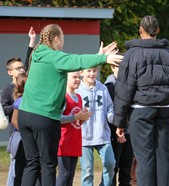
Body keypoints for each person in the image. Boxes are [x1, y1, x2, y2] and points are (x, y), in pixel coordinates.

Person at [17, 24, 123, 186]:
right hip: (43, 117)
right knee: (48, 165)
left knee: (32, 163)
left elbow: (76, 61)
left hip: (24, 115)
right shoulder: (55, 56)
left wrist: (97, 55)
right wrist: (103, 58)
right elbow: (77, 61)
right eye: (63, 38)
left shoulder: (37, 53)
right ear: (56, 39)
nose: (64, 42)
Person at [114, 15, 169, 186]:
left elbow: (123, 91)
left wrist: (120, 122)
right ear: (158, 31)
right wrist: (168, 94)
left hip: (141, 110)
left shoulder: (132, 55)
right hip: (165, 109)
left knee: (144, 157)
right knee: (163, 157)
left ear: (140, 30)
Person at [76, 66, 116, 186]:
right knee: (87, 171)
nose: (92, 74)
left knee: (111, 164)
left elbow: (110, 107)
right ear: (82, 73)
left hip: (102, 135)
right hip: (84, 137)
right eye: (89, 71)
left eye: (94, 71)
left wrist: (111, 116)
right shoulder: (77, 89)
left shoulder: (102, 88)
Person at [56, 71, 91, 186]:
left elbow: (76, 122)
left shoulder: (79, 97)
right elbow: (57, 118)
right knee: (64, 174)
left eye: (79, 77)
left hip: (74, 141)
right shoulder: (62, 96)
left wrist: (83, 117)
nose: (77, 79)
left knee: (70, 175)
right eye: (74, 77)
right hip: (63, 141)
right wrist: (76, 116)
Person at [0, 26, 36, 136]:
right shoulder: (8, 89)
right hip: (16, 131)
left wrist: (32, 39)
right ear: (10, 72)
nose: (21, 70)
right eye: (17, 68)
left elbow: (28, 60)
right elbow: (4, 109)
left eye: (22, 68)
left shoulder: (27, 83)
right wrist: (18, 104)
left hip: (32, 128)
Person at [105, 64, 133, 186]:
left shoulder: (131, 84)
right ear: (112, 67)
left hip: (130, 131)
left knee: (127, 168)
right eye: (118, 67)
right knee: (113, 168)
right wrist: (118, 130)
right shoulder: (110, 86)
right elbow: (111, 111)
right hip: (116, 132)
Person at [6, 73, 28, 186]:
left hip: (24, 137)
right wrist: (27, 132)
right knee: (19, 169)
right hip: (20, 139)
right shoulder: (21, 101)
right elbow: (14, 121)